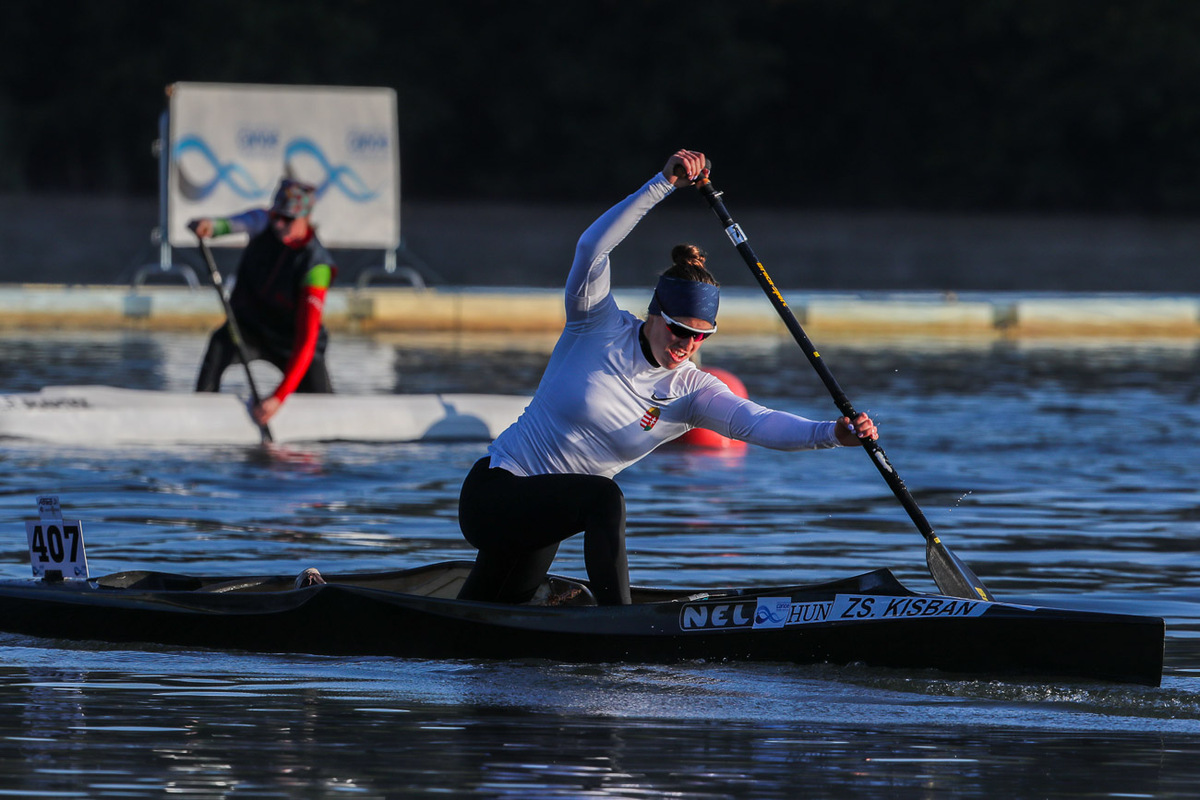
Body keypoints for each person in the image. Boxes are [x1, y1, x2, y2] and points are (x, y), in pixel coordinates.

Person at [456, 149, 878, 606]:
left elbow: (758, 423)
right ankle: (618, 625)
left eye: (701, 337)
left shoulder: (691, 391)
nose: (687, 344)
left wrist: (833, 434)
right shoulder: (594, 324)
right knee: (605, 499)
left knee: (490, 614)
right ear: (655, 313)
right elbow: (590, 249)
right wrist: (662, 185)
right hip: (495, 495)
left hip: (546, 519)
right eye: (679, 329)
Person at [189, 179, 337, 426]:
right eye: (276, 215)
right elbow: (229, 225)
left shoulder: (317, 267)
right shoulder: (262, 221)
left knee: (324, 406)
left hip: (292, 344)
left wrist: (278, 399)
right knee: (220, 342)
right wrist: (209, 226)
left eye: (287, 219)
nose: (278, 224)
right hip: (251, 330)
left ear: (305, 219)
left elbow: (306, 340)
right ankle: (199, 410)